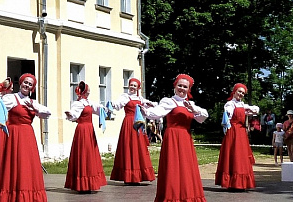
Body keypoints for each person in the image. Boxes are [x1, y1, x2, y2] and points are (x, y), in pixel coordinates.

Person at [145, 74, 208, 202]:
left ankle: (187, 196)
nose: (182, 88)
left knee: (186, 168)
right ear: (175, 86)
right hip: (172, 137)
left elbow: (203, 117)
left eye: (185, 87)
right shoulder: (169, 101)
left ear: (188, 89)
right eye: (180, 85)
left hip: (185, 137)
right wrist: (145, 110)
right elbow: (156, 113)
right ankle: (172, 196)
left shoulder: (190, 104)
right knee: (172, 167)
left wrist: (193, 109)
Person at [0, 73, 51, 202]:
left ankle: (29, 195)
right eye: (25, 82)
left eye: (30, 84)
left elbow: (47, 113)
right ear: (20, 83)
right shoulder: (11, 98)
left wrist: (34, 108)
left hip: (28, 136)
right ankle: (13, 195)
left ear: (32, 88)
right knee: (14, 164)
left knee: (28, 165)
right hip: (15, 135)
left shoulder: (33, 102)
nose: (27, 85)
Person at [110, 78, 156, 184]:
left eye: (135, 86)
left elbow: (147, 109)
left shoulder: (140, 98)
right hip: (128, 123)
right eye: (131, 85)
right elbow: (118, 105)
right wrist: (112, 104)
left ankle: (138, 175)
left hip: (138, 123)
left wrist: (152, 105)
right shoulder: (125, 97)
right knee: (128, 146)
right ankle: (128, 175)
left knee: (139, 147)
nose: (132, 87)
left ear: (138, 88)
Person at [63, 81, 107, 193]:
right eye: (87, 91)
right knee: (83, 154)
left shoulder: (88, 102)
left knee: (90, 155)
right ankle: (82, 183)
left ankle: (90, 182)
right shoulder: (78, 103)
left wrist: (106, 108)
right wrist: (70, 114)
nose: (88, 93)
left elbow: (98, 108)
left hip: (89, 130)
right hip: (82, 130)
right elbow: (74, 114)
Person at [215, 83, 259, 190]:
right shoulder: (230, 104)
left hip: (241, 132)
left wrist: (250, 110)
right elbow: (227, 117)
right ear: (234, 91)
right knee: (233, 154)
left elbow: (256, 110)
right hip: (233, 131)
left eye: (243, 93)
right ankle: (232, 182)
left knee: (241, 155)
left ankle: (241, 182)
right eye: (239, 91)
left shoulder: (243, 105)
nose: (241, 94)